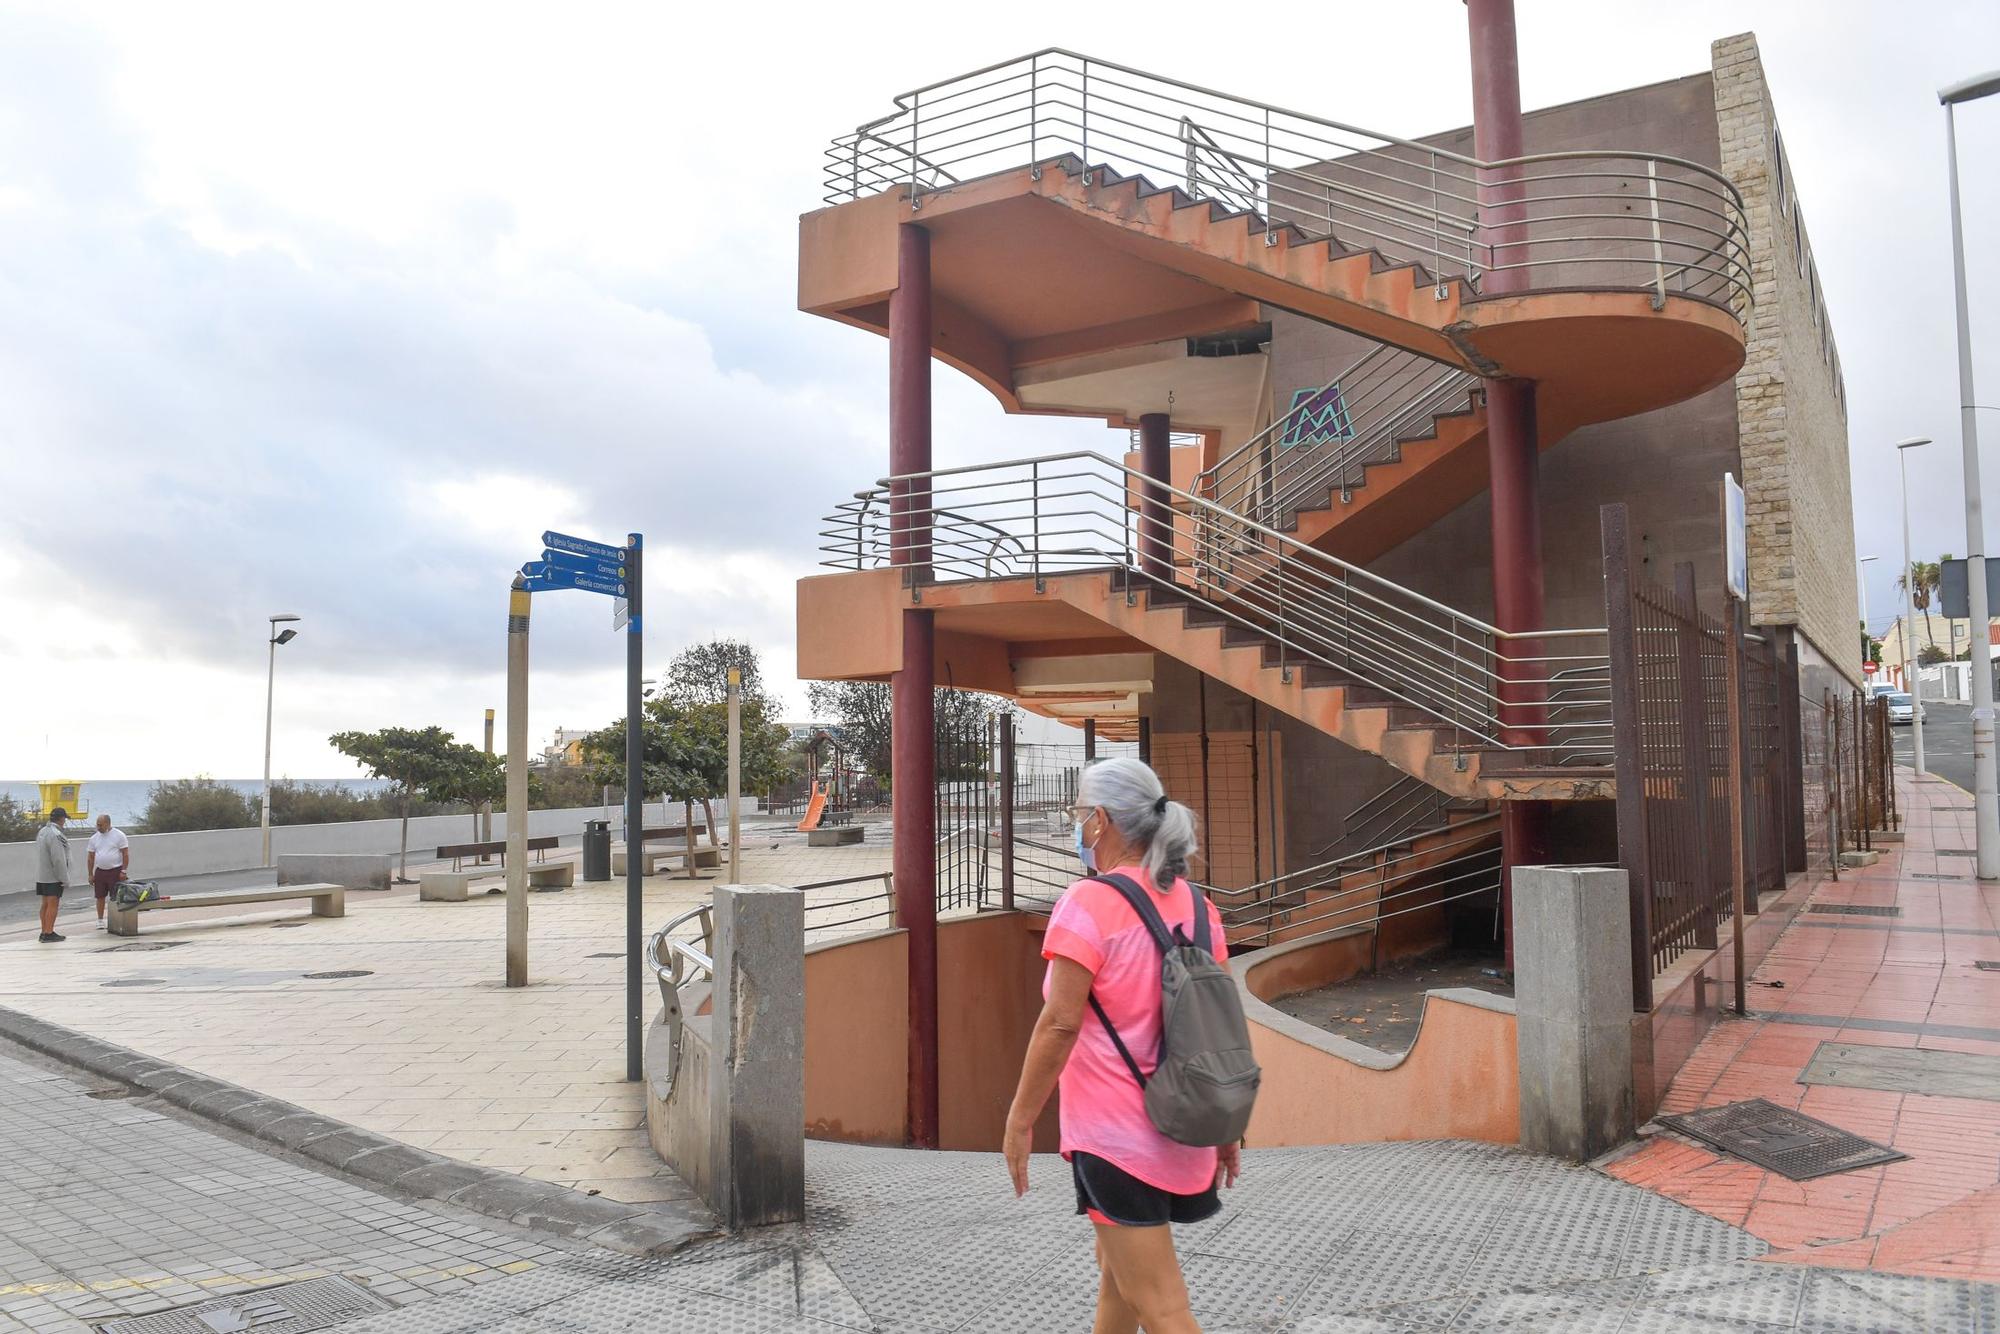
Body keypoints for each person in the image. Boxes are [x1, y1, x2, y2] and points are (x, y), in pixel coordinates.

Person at [1004, 757, 1237, 1334]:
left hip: (1117, 1143)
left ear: (1101, 820)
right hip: (1185, 1127)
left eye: (1079, 813)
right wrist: (1227, 1126)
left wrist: (1020, 1119)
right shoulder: (1197, 905)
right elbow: (1219, 1024)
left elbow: (1059, 1024)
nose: (1078, 824)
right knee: (1118, 1282)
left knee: (1162, 1305)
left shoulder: (1088, 905)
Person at [85, 813, 132, 931]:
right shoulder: (94, 838)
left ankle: (117, 918)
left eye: (100, 825)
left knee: (116, 896)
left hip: (115, 870)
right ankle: (100, 920)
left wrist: (123, 870)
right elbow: (90, 857)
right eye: (97, 825)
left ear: (107, 823)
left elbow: (125, 854)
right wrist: (90, 874)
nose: (98, 827)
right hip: (100, 871)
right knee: (99, 896)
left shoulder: (119, 835)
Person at [34, 807, 72, 944]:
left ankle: (44, 931)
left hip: (42, 874)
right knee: (53, 903)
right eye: (64, 819)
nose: (64, 822)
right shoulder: (56, 834)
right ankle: (49, 932)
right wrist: (64, 878)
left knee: (44, 904)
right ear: (61, 819)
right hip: (53, 875)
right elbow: (58, 859)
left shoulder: (42, 832)